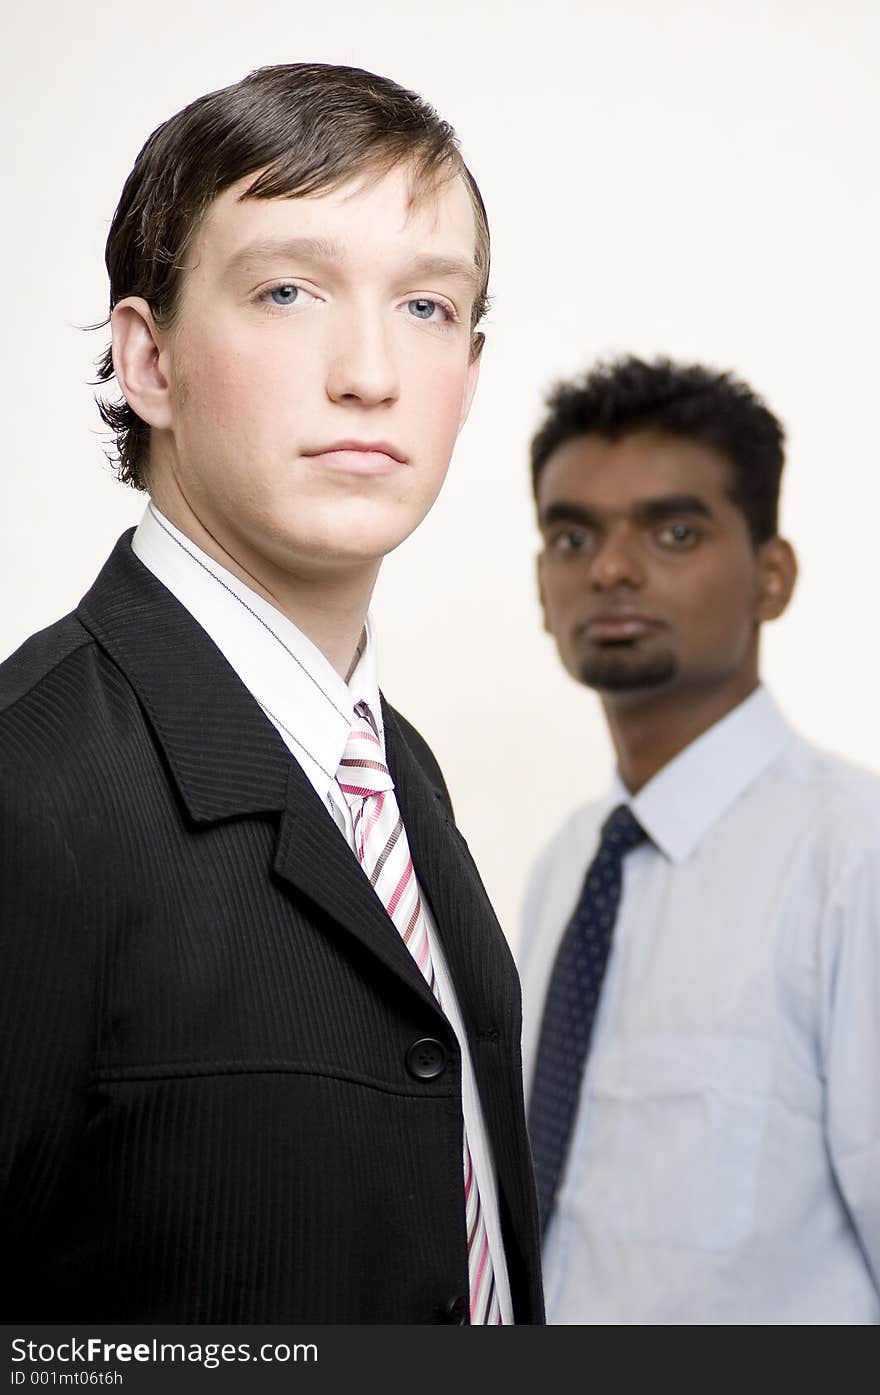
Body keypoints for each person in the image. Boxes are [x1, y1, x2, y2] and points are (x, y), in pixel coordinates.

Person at [0, 63, 543, 1325]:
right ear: (150, 360)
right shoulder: (31, 789)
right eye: (287, 292)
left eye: (424, 305)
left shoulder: (392, 770)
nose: (369, 372)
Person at [519, 355, 880, 1324]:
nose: (611, 568)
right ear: (540, 586)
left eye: (674, 530)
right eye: (571, 535)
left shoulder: (855, 862)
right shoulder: (565, 867)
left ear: (773, 576)